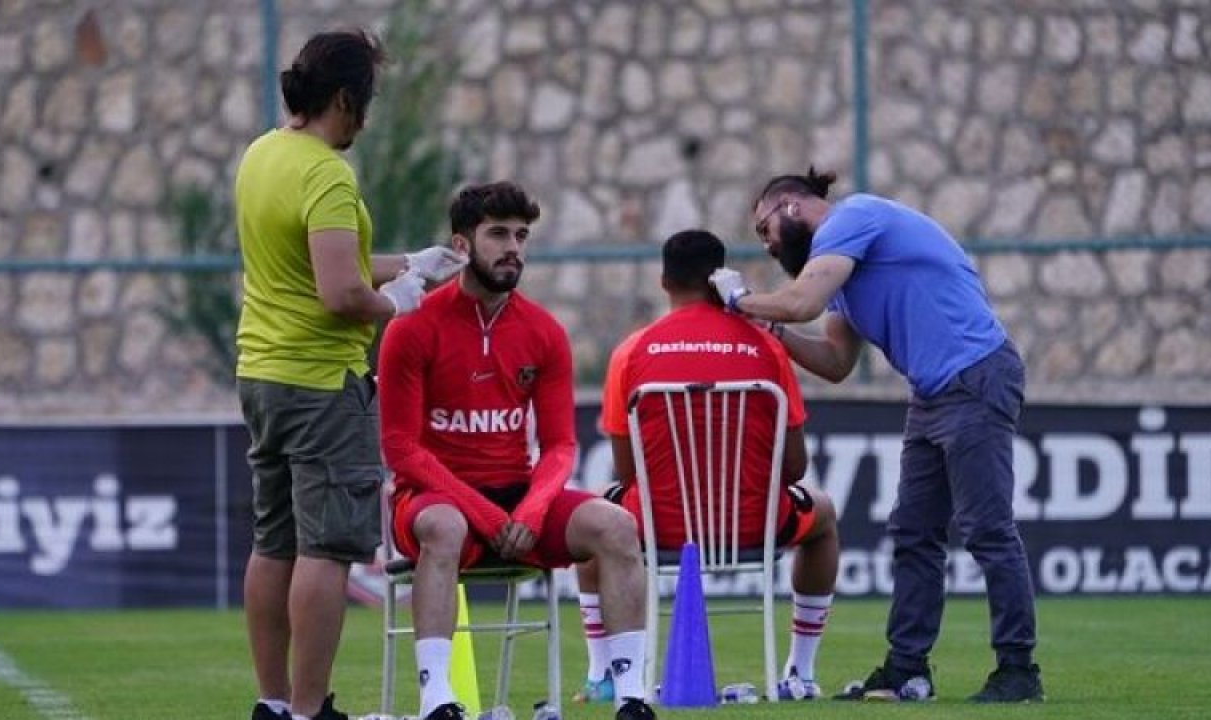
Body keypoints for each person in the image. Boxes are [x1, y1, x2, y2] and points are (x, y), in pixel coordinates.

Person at [709, 167, 1043, 703]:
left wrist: (739, 300)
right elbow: (836, 361)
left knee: (987, 529)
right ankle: (907, 669)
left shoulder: (853, 218)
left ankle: (1019, 672)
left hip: (976, 374)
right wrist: (770, 327)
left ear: (790, 206)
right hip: (933, 393)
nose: (767, 245)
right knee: (914, 533)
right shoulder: (840, 273)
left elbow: (801, 302)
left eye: (764, 230)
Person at [234, 29, 467, 720]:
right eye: (366, 101)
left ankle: (274, 704)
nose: (366, 118)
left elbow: (322, 264)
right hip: (321, 383)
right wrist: (395, 303)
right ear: (344, 99)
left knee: (273, 542)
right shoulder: (327, 174)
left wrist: (409, 264)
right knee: (327, 548)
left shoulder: (263, 153)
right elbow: (340, 294)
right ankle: (311, 710)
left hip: (263, 374)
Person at [377, 181, 657, 720]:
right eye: (498, 234)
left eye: (522, 236)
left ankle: (631, 697)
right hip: (434, 500)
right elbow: (401, 449)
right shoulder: (411, 326)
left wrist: (530, 509)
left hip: (517, 504)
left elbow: (560, 445)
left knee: (619, 525)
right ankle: (438, 701)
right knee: (445, 527)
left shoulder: (544, 332)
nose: (513, 248)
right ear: (461, 246)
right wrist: (487, 515)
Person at [573, 229, 840, 703]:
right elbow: (795, 467)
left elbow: (627, 471)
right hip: (754, 525)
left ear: (663, 282)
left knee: (593, 518)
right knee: (823, 515)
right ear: (720, 279)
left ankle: (602, 674)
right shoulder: (767, 346)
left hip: (659, 527)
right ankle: (800, 671)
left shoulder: (632, 350)